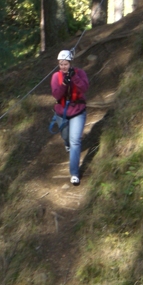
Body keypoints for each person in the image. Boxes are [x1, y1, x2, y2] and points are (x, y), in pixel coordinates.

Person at [51, 50, 89, 185]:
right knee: (66, 137)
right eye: (61, 64)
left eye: (65, 64)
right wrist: (64, 84)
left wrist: (74, 78)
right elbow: (56, 95)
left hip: (78, 111)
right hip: (62, 112)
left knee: (75, 141)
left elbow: (84, 88)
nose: (63, 67)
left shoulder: (80, 73)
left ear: (71, 63)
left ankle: (74, 173)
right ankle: (66, 144)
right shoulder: (56, 77)